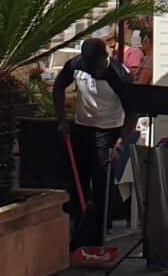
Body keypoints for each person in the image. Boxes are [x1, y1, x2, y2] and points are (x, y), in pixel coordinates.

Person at [53, 38, 128, 250]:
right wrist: (62, 120)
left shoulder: (119, 75)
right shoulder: (76, 65)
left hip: (109, 131)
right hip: (81, 129)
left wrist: (121, 141)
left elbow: (133, 111)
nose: (95, 70)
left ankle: (98, 239)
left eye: (98, 65)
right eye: (91, 66)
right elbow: (58, 87)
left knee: (102, 184)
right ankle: (78, 235)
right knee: (78, 183)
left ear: (106, 58)